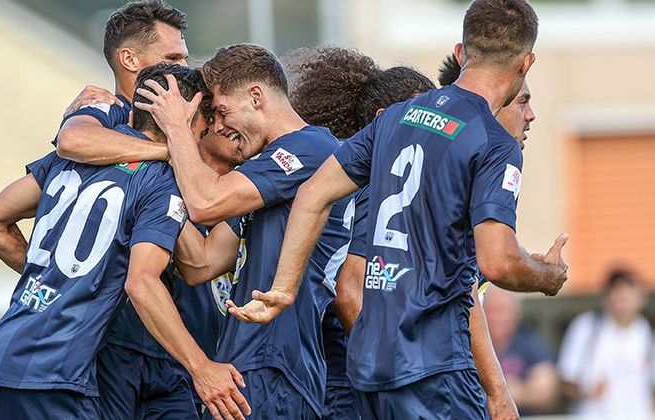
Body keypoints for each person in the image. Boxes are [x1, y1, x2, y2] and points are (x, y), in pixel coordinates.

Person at [228, 0, 571, 417]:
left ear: (462, 53)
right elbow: (497, 262)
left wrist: (284, 287)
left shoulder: (396, 117)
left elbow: (314, 193)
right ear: (526, 63)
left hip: (370, 367)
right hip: (435, 364)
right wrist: (546, 277)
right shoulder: (492, 141)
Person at [0, 64, 248, 420]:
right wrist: (202, 367)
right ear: (189, 120)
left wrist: (59, 279)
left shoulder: (71, 157)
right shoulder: (162, 180)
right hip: (57, 376)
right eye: (203, 128)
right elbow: (143, 282)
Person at [288, 46, 517, 420]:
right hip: (373, 382)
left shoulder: (434, 190)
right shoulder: (378, 190)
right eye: (419, 117)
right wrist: (400, 363)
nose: (432, 130)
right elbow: (350, 290)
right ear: (385, 121)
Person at [135, 44, 352, 419]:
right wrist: (153, 194)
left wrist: (175, 131)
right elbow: (201, 263)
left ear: (256, 97)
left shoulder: (311, 150)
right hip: (244, 363)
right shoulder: (262, 171)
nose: (218, 127)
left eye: (221, 111)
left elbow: (205, 203)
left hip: (277, 361)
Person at [55, 0, 189, 164]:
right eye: (173, 58)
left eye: (184, 59)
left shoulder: (186, 113)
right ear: (129, 60)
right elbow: (71, 141)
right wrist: (172, 152)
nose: (185, 67)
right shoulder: (108, 108)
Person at [558, 268, 654, 418]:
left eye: (628, 293)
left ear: (640, 298)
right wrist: (587, 391)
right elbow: (566, 381)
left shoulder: (645, 330)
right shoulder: (587, 326)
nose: (622, 299)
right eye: (617, 292)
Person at [484, 286, 559, 415]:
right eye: (490, 311)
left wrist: (512, 392)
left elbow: (547, 392)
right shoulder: (471, 347)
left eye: (501, 310)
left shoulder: (530, 344)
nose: (496, 317)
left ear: (515, 313)